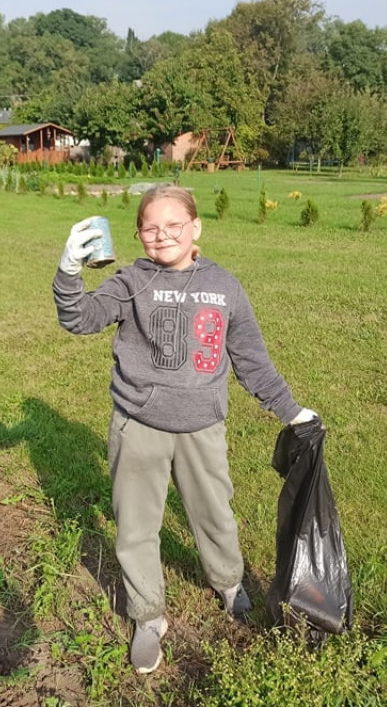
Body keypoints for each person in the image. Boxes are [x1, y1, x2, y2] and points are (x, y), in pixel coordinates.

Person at [52, 184, 317, 674]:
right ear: (137, 234)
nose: (162, 236)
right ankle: (148, 616)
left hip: (202, 428)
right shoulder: (131, 281)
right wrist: (69, 271)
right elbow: (80, 318)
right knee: (135, 527)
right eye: (150, 228)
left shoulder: (226, 286)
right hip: (138, 425)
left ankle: (229, 583)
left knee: (214, 514)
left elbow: (251, 361)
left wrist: (291, 411)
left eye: (174, 226)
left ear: (196, 228)